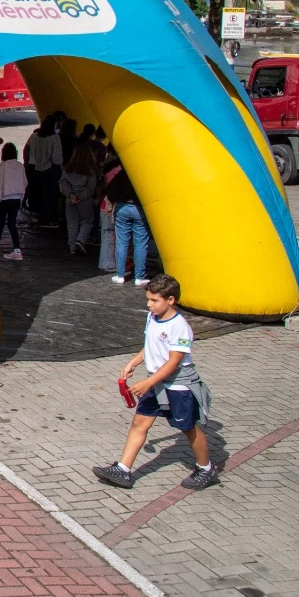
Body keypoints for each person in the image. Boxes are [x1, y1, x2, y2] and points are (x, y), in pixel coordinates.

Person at [93, 273, 217, 491]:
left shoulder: (179, 327)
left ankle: (206, 469)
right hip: (156, 383)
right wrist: (134, 362)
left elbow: (173, 363)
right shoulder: (153, 317)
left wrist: (147, 383)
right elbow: (149, 346)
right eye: (148, 300)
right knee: (140, 423)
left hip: (177, 386)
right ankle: (123, 469)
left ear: (171, 300)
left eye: (154, 300)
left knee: (188, 428)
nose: (149, 305)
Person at [105, 156, 150, 285]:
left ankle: (120, 275)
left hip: (122, 208)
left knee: (121, 242)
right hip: (139, 209)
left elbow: (111, 194)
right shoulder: (143, 176)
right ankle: (139, 277)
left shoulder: (121, 175)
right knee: (141, 243)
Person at [59, 143, 100, 255]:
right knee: (87, 221)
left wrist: (70, 195)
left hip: (70, 200)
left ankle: (72, 246)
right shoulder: (90, 170)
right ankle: (80, 240)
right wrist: (80, 196)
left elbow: (63, 182)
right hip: (85, 200)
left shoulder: (68, 168)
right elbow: (91, 188)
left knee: (72, 223)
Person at [0, 143, 26, 260]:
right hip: (16, 199)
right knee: (12, 224)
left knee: (0, 224)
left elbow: (0, 184)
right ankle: (17, 250)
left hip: (4, 199)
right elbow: (25, 182)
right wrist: (21, 198)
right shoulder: (20, 165)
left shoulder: (3, 166)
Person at [23, 117, 62, 226]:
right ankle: (47, 219)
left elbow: (27, 149)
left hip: (35, 167)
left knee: (38, 192)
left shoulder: (34, 136)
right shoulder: (54, 138)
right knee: (51, 195)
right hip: (49, 168)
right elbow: (57, 158)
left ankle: (37, 212)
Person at [98, 151, 121, 273]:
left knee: (107, 233)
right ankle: (109, 263)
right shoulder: (119, 170)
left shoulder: (110, 168)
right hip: (112, 205)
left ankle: (106, 262)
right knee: (111, 234)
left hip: (106, 203)